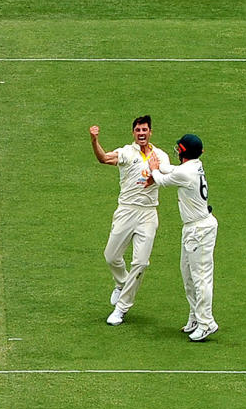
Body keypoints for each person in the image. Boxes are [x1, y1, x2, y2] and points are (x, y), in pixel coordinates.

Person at [89, 116, 171, 326]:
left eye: (144, 129)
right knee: (110, 256)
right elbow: (104, 159)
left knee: (141, 262)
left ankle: (121, 308)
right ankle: (121, 284)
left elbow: (167, 177)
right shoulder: (127, 152)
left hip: (148, 213)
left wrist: (155, 172)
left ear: (150, 132)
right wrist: (94, 140)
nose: (141, 133)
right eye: (137, 130)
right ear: (133, 133)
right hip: (126, 210)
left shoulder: (160, 155)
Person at [147, 134, 219, 342]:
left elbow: (162, 180)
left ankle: (207, 323)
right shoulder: (194, 166)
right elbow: (173, 170)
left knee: (201, 278)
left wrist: (154, 168)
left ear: (183, 152)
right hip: (193, 229)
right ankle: (195, 318)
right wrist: (160, 164)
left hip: (199, 230)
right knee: (187, 274)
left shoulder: (186, 173)